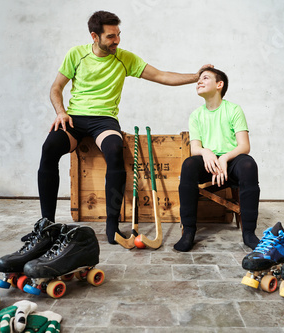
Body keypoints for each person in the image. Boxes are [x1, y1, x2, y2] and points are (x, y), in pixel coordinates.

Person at [39, 10, 211, 244]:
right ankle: (46, 225)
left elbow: (161, 76)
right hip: (75, 119)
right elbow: (56, 87)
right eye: (111, 36)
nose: (117, 40)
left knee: (114, 150)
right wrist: (61, 112)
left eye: (118, 34)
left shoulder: (124, 58)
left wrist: (196, 76)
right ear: (94, 36)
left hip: (104, 121)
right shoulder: (76, 55)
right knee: (49, 147)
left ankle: (113, 227)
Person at [174, 67, 260, 252]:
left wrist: (225, 159)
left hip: (231, 161)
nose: (199, 81)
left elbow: (244, 146)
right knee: (189, 164)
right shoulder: (196, 115)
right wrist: (207, 153)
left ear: (219, 85)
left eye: (205, 78)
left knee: (248, 164)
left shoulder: (234, 109)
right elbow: (195, 147)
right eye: (199, 79)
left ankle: (249, 234)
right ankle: (188, 232)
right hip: (209, 162)